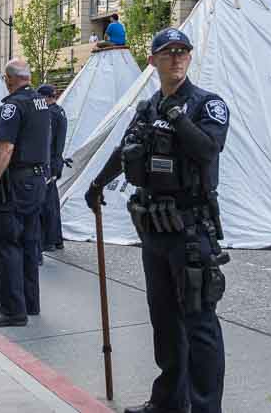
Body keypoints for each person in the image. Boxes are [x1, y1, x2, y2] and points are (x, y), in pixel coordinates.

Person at [84, 27, 231, 413]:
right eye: (168, 52)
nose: (177, 58)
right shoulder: (148, 107)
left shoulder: (206, 104)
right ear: (153, 61)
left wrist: (177, 117)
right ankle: (168, 402)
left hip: (190, 230)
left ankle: (205, 408)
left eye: (182, 52)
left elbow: (208, 149)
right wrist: (97, 184)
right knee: (164, 322)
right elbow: (126, 149)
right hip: (154, 230)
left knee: (199, 324)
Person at [0, 59, 51, 327]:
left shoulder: (13, 106)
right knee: (28, 243)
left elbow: (6, 146)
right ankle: (30, 303)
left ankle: (12, 310)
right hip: (36, 181)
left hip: (15, 182)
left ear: (9, 79)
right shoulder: (41, 102)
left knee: (6, 243)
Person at [38, 84, 67, 253]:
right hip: (55, 161)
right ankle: (56, 239)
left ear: (46, 97)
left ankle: (48, 240)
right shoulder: (59, 111)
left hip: (49, 162)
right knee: (52, 202)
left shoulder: (50, 114)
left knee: (46, 203)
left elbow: (48, 142)